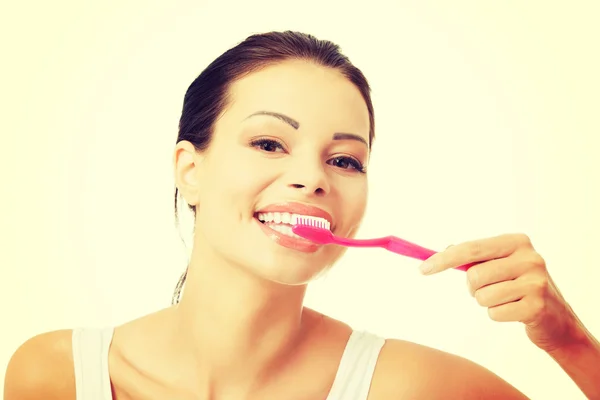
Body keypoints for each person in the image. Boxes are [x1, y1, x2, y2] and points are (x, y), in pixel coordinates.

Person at [4, 31, 599, 400]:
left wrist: (569, 341)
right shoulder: (55, 375)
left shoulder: (412, 389)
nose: (313, 178)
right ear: (190, 170)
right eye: (268, 143)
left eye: (344, 159)